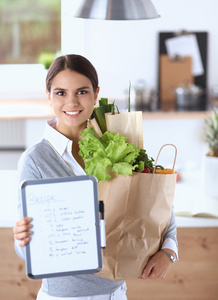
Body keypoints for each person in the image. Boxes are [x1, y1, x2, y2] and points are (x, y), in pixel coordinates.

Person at [13, 54, 178, 300]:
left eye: (81, 91)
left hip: (116, 293)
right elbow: (28, 252)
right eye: (60, 93)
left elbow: (157, 204)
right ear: (48, 95)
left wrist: (169, 251)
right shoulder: (36, 160)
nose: (71, 102)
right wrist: (22, 241)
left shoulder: (120, 143)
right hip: (63, 297)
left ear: (95, 94)